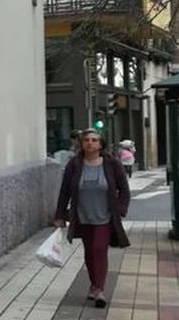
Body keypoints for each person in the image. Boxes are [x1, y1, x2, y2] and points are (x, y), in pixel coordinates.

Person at [55, 128, 131, 307]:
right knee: (89, 253)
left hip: (105, 216)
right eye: (87, 140)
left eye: (94, 140)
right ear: (81, 144)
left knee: (99, 249)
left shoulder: (112, 164)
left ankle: (99, 289)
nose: (90, 143)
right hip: (82, 216)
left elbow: (124, 189)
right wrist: (60, 215)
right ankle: (94, 284)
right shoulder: (74, 164)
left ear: (101, 144)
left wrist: (120, 209)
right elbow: (65, 191)